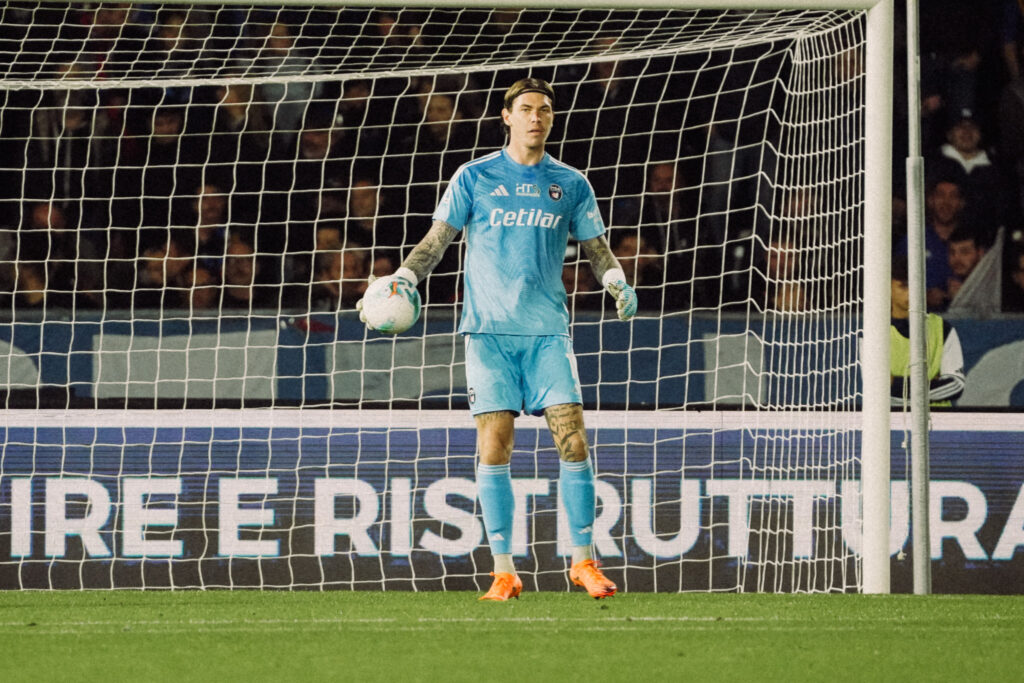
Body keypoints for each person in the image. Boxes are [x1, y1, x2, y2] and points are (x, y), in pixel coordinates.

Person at [358, 77, 638, 601]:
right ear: (506, 117)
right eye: (526, 109)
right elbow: (436, 241)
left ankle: (583, 563)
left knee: (573, 438)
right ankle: (504, 570)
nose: (536, 117)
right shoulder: (475, 176)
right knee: (494, 446)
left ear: (552, 119)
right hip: (488, 332)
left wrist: (615, 278)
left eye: (545, 111)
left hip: (547, 331)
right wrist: (406, 277)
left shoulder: (570, 183)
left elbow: (596, 247)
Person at [890, 256, 965, 408]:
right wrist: (932, 383)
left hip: (940, 423)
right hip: (891, 424)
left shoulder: (942, 328)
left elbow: (956, 386)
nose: (911, 293)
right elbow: (877, 389)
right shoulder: (872, 332)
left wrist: (896, 384)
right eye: (903, 286)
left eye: (915, 285)